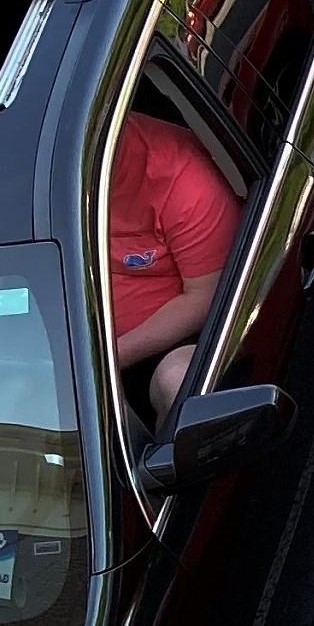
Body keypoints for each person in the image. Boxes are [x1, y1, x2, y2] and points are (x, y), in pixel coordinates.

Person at [108, 110, 237, 420]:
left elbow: (205, 298)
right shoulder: (28, 169)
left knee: (177, 379)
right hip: (64, 335)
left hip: (160, 345)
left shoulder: (185, 179)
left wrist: (108, 356)